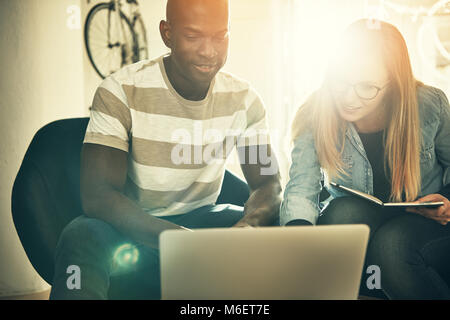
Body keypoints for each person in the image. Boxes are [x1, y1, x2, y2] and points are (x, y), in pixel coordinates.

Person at [50, 0, 281, 300]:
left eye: (219, 35)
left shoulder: (244, 101)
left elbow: (268, 183)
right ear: (167, 33)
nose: (209, 50)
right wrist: (174, 240)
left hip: (201, 222)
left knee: (278, 224)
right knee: (80, 235)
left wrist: (247, 227)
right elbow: (98, 195)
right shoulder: (120, 91)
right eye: (193, 36)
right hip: (131, 230)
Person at [280, 19, 450, 299]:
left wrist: (446, 199)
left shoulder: (429, 107)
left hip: (424, 225)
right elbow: (301, 187)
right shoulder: (316, 112)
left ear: (393, 82)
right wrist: (299, 242)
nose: (349, 97)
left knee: (392, 244)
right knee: (342, 214)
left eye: (367, 87)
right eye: (341, 82)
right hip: (361, 216)